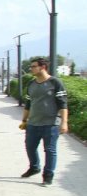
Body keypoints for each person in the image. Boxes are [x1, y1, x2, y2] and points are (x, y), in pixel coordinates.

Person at [18, 58, 68, 186]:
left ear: (42, 67)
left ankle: (48, 175)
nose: (31, 69)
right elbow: (28, 104)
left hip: (51, 124)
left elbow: (63, 104)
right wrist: (24, 120)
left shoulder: (55, 83)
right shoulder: (31, 84)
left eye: (33, 66)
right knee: (30, 147)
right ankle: (34, 167)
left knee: (50, 150)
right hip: (33, 123)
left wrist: (64, 122)